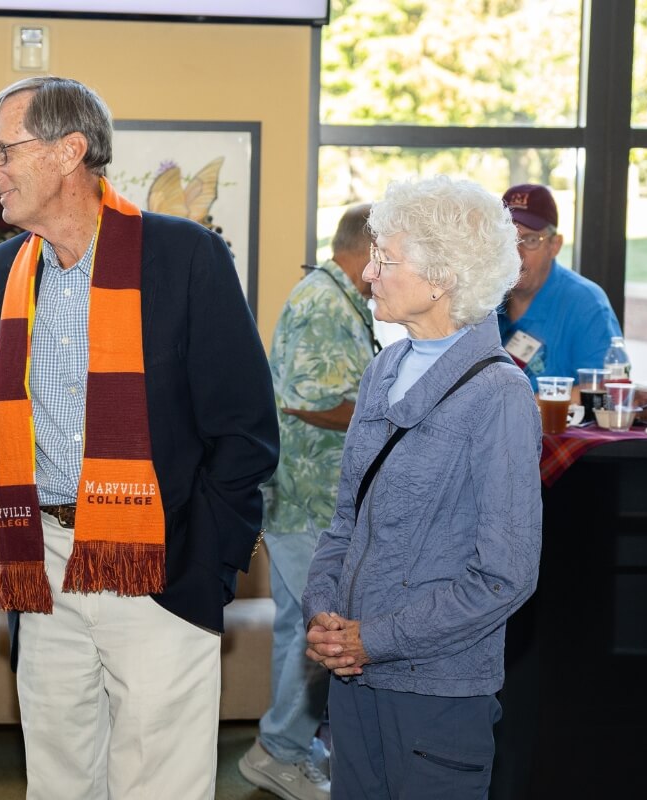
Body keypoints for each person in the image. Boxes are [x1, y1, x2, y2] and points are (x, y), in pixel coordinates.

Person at [0, 76, 279, 798]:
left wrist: (206, 567)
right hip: (41, 562)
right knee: (58, 775)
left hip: (160, 561)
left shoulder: (186, 258)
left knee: (159, 781)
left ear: (68, 151)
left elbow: (246, 434)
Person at [303, 175, 543, 798]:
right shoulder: (385, 368)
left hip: (437, 694)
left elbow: (506, 574)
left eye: (387, 258)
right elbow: (344, 522)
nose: (368, 274)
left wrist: (372, 639)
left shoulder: (500, 394)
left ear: (443, 277)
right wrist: (325, 618)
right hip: (354, 681)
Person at [238, 204, 377, 800]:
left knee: (304, 625)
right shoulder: (324, 302)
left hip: (313, 499)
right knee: (324, 629)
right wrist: (389, 414)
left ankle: (287, 744)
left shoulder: (336, 296)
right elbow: (306, 399)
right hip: (307, 500)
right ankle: (280, 750)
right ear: (367, 247)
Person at [497, 183, 621, 385]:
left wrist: (522, 407)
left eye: (529, 240)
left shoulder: (585, 303)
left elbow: (608, 388)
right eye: (508, 239)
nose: (515, 253)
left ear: (554, 246)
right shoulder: (484, 299)